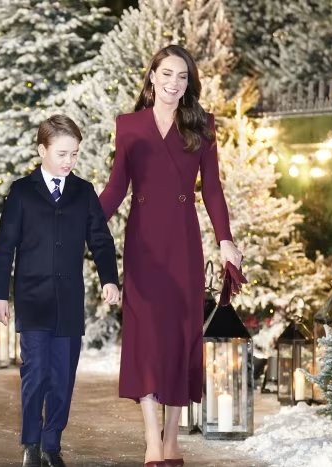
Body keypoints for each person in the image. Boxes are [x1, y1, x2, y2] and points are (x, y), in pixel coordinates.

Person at [98, 45, 243, 467]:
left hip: (183, 243)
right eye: (167, 74)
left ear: (188, 83)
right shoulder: (129, 126)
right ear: (152, 77)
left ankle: (172, 436)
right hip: (142, 244)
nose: (174, 83)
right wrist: (85, 225)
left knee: (182, 336)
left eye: (182, 76)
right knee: (144, 337)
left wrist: (226, 239)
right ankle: (151, 439)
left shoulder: (202, 124)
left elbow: (212, 189)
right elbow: (115, 188)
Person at [0, 115, 120, 467]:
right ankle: (31, 443)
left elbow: (101, 242)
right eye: (62, 153)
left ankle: (52, 444)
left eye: (74, 154)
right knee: (36, 373)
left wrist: (110, 278)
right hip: (32, 300)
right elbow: (5, 247)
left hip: (69, 302)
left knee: (63, 376)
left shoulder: (83, 192)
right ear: (41, 150)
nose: (68, 161)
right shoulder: (21, 191)